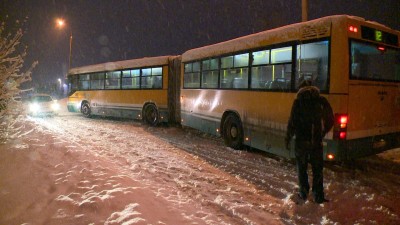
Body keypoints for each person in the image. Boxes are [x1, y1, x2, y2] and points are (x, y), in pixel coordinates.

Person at [285, 80, 334, 204]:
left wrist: (288, 138)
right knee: (317, 169)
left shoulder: (298, 102)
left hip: (301, 142)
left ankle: (303, 192)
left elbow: (292, 122)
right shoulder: (321, 101)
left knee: (302, 168)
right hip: (316, 141)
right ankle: (318, 196)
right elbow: (330, 119)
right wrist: (322, 132)